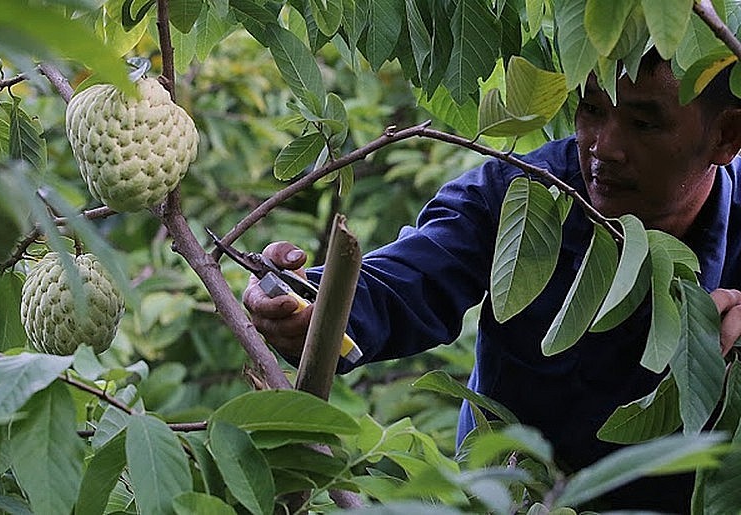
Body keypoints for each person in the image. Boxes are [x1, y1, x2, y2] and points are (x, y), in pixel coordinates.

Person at [243, 50, 741, 511]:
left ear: (725, 136)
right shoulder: (520, 194)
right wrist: (308, 303)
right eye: (591, 110)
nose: (604, 147)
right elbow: (409, 277)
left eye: (643, 122)